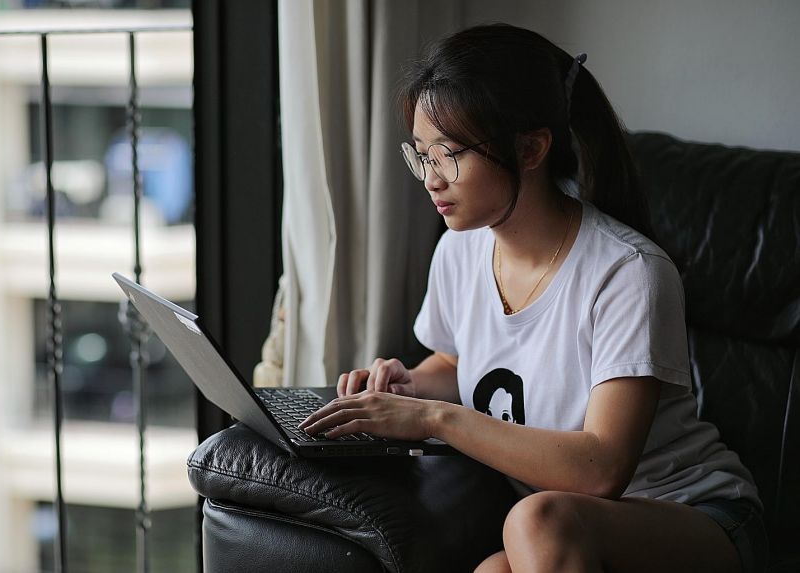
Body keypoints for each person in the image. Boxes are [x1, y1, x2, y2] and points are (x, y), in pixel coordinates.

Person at [299, 23, 766, 573]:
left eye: (448, 155)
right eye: (421, 155)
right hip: (564, 528)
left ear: (530, 149)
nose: (430, 179)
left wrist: (433, 419)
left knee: (534, 522)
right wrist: (403, 386)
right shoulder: (459, 250)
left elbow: (601, 468)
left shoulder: (628, 273)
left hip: (695, 514)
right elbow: (455, 361)